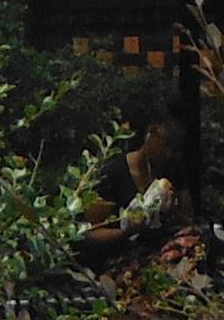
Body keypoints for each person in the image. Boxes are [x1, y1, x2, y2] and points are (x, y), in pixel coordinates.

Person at [74, 114, 188, 267]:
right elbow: (89, 233)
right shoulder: (113, 173)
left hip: (149, 256)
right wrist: (126, 231)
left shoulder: (165, 173)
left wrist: (169, 212)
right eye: (165, 145)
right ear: (151, 134)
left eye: (174, 150)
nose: (168, 154)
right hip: (111, 262)